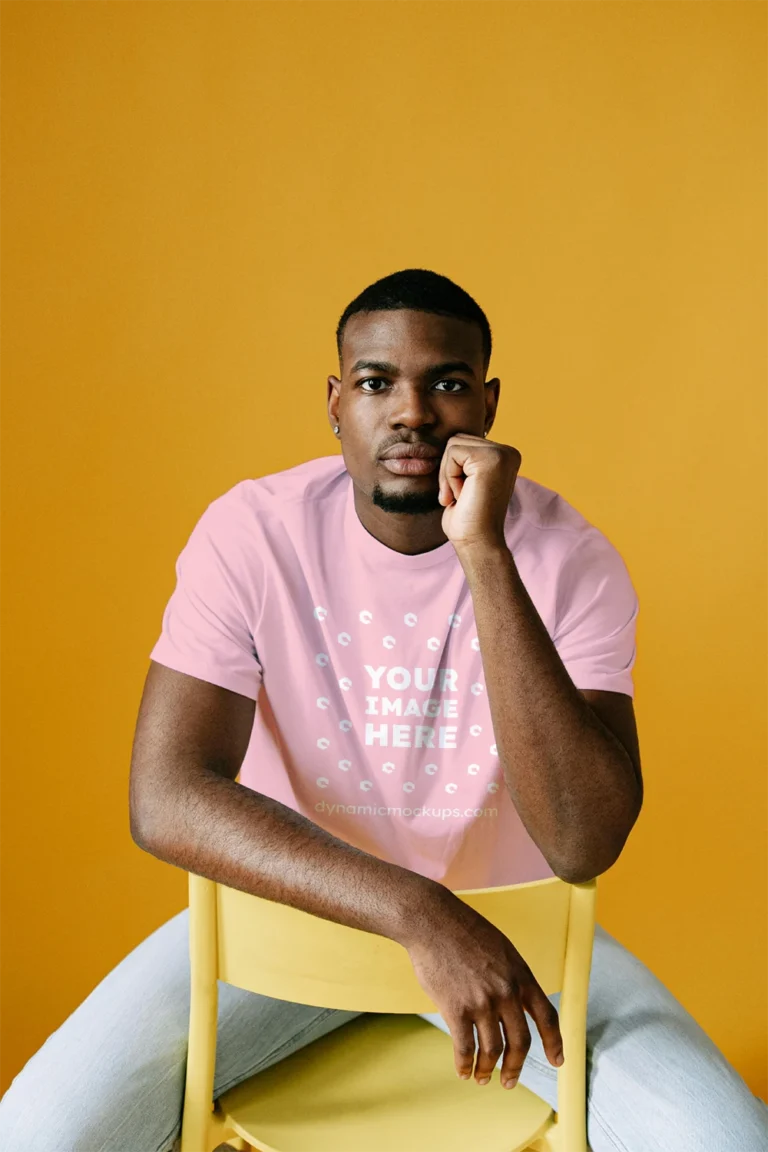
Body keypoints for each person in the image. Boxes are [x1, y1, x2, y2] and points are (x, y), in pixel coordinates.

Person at [1, 269, 766, 1152]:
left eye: (445, 382)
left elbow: (583, 840)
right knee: (40, 1134)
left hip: (513, 944)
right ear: (335, 404)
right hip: (288, 931)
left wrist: (481, 550)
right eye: (375, 383)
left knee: (727, 1142)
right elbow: (164, 794)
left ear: (489, 400)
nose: (411, 412)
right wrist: (419, 914)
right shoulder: (251, 533)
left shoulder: (570, 559)